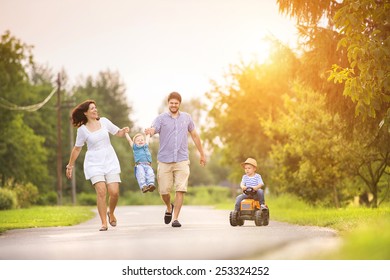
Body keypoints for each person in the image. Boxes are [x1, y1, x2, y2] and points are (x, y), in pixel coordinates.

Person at [65, 100, 129, 231]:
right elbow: (77, 149)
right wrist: (70, 166)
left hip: (109, 159)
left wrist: (124, 130)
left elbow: (118, 133)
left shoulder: (104, 121)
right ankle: (104, 223)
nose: (95, 110)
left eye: (95, 108)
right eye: (92, 108)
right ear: (85, 113)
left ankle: (110, 213)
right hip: (94, 162)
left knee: (114, 192)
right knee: (101, 191)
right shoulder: (82, 130)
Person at [145, 92, 206, 228]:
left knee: (180, 189)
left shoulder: (187, 118)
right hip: (164, 160)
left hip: (182, 159)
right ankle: (168, 207)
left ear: (179, 104)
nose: (173, 105)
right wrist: (150, 131)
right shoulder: (161, 118)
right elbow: (154, 129)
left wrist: (202, 154)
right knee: (164, 191)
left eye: (176, 103)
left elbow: (195, 135)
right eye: (171, 103)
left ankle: (176, 219)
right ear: (168, 104)